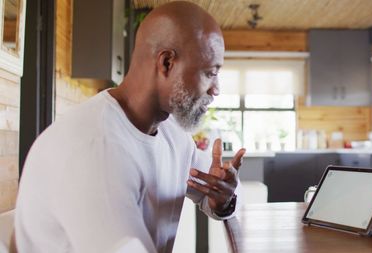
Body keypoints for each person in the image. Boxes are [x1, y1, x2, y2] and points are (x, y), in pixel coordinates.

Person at [14, 1, 246, 253]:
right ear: (167, 63)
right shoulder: (94, 147)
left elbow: (219, 193)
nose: (217, 89)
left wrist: (222, 198)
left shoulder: (172, 135)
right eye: (210, 73)